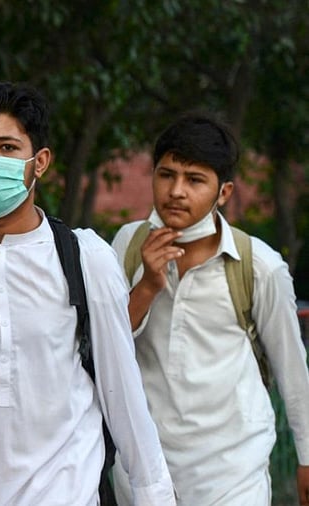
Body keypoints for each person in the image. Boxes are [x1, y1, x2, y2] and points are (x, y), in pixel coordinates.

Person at [0, 81, 176, 505]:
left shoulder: (83, 259)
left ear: (39, 161)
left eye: (7, 148)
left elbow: (123, 393)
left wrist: (155, 496)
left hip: (68, 492)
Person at [111, 112, 309, 506]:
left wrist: (307, 458)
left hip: (233, 472)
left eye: (195, 179)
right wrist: (148, 285)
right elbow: (106, 348)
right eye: (166, 174)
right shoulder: (127, 244)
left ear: (224, 192)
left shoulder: (259, 266)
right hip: (144, 471)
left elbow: (293, 369)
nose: (176, 191)